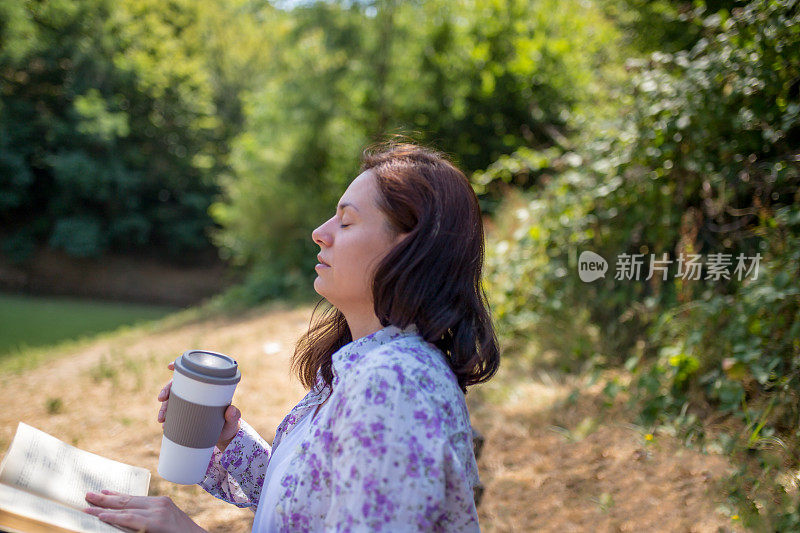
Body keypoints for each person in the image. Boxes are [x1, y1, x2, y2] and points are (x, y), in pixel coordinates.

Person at [83, 142, 500, 532]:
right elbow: (305, 506)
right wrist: (227, 437)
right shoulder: (360, 368)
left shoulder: (395, 385)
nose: (321, 232)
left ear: (410, 247)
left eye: (347, 220)